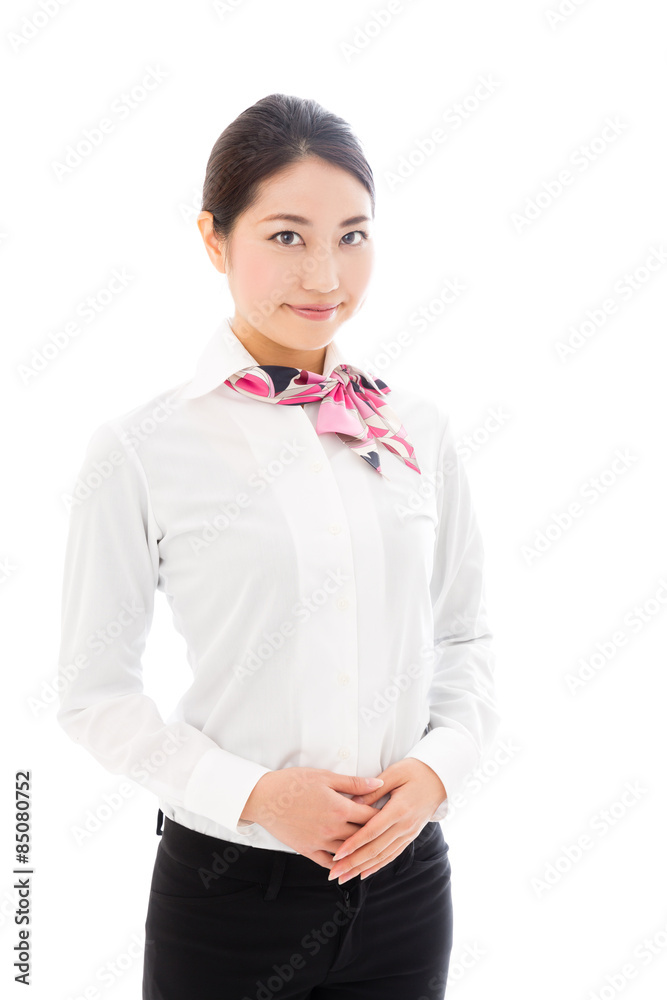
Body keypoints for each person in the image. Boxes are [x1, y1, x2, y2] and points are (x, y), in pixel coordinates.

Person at [56, 92, 500, 999]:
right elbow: (92, 693)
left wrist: (432, 773)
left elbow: (465, 638)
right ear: (215, 240)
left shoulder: (417, 427)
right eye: (287, 236)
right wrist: (256, 796)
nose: (325, 275)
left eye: (353, 234)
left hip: (406, 885)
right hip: (228, 894)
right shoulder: (142, 448)